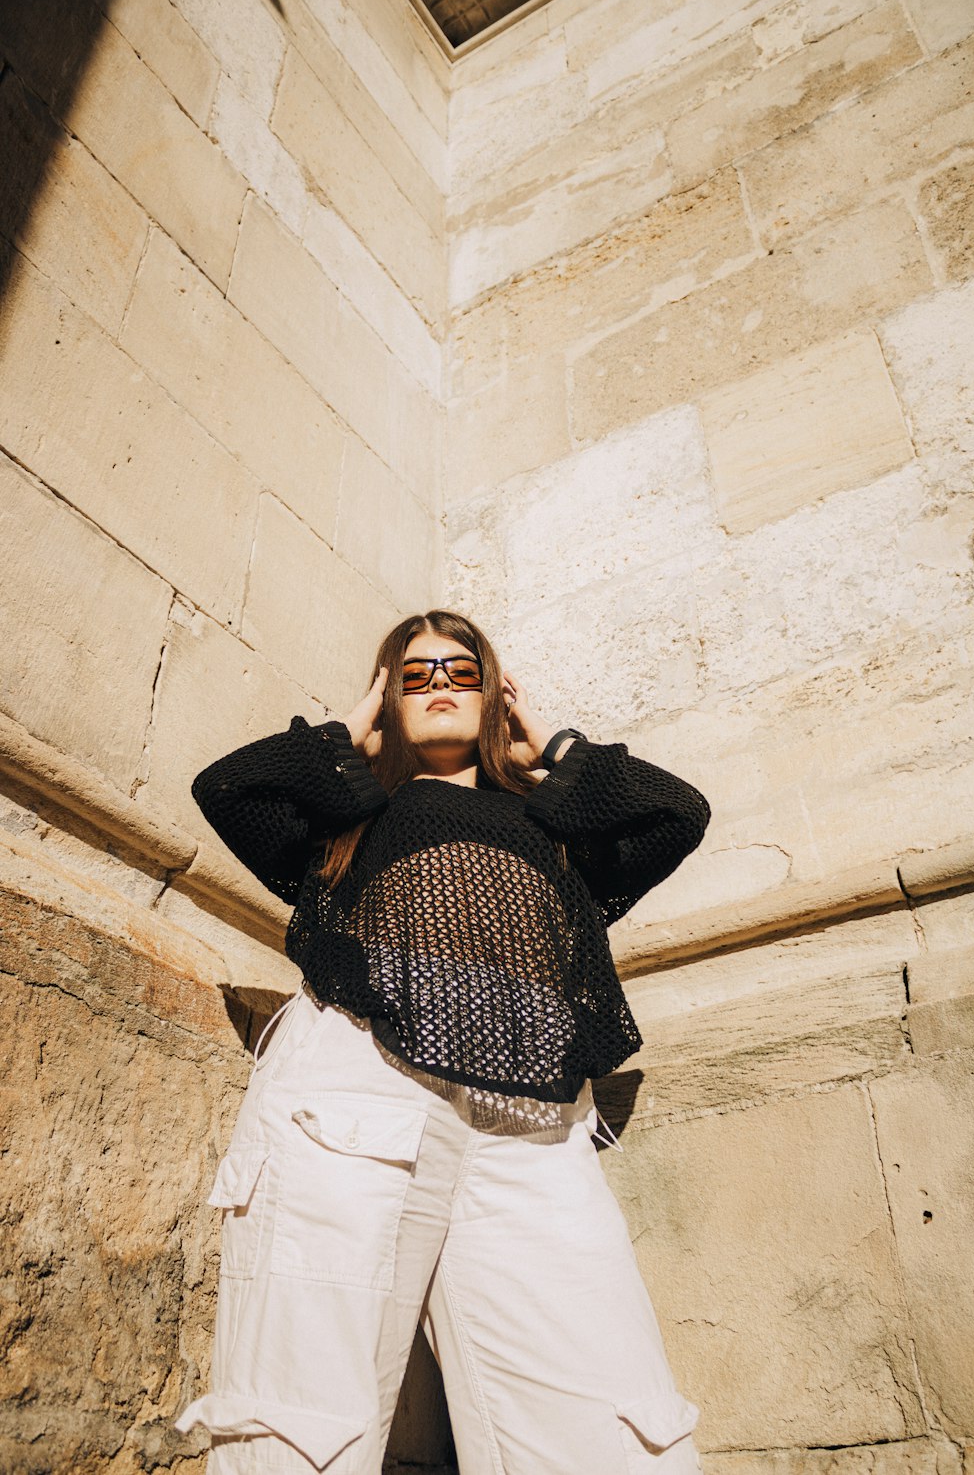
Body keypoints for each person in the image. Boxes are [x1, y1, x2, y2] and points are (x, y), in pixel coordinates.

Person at [175, 608, 712, 1475]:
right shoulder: (349, 819)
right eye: (413, 675)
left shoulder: (554, 825)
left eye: (461, 672)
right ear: (388, 695)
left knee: (611, 1424)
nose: (438, 688)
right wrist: (350, 735)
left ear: (496, 695)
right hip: (358, 1091)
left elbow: (676, 813)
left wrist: (558, 752)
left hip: (533, 1126)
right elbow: (227, 790)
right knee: (304, 1419)